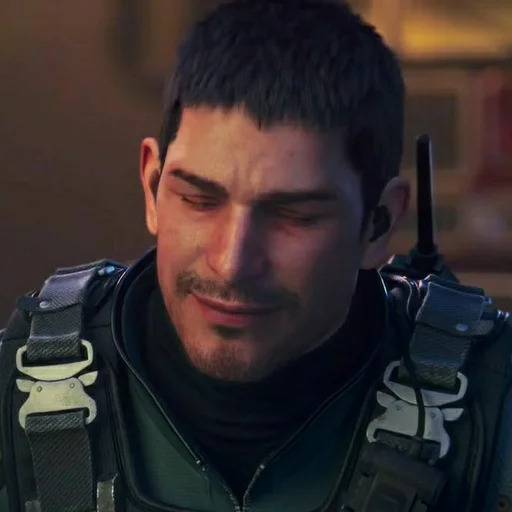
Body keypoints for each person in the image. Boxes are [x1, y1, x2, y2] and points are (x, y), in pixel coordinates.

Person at [0, 1, 511, 511]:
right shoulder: (19, 383)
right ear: (152, 187)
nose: (232, 264)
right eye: (199, 200)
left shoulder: (493, 403)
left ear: (377, 223)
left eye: (293, 216)